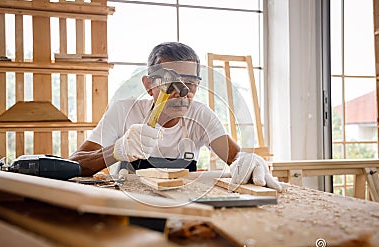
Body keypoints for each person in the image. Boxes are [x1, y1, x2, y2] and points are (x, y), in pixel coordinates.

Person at [69, 42, 284, 192]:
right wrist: (118, 150)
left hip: (184, 209)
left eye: (189, 83)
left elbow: (236, 158)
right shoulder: (122, 111)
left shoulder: (200, 115)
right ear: (148, 85)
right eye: (168, 81)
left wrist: (247, 161)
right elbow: (74, 165)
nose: (181, 92)